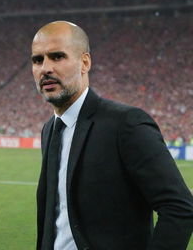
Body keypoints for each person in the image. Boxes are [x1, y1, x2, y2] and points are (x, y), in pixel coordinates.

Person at [31, 21, 193, 250]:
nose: (45, 68)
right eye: (37, 60)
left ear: (84, 62)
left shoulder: (126, 124)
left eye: (57, 57)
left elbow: (179, 207)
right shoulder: (49, 129)